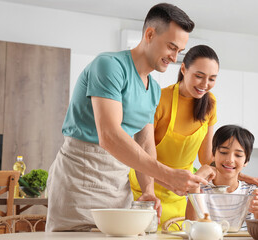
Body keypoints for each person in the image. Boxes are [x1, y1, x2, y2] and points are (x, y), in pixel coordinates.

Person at [46, 3, 208, 232]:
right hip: (80, 177)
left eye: (179, 51)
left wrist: (149, 190)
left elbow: (144, 143)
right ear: (150, 34)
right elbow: (109, 136)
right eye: (171, 47)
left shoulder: (152, 89)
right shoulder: (109, 66)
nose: (174, 58)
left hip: (117, 184)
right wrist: (168, 176)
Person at [129, 45, 258, 230]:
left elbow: (207, 159)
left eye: (212, 79)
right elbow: (146, 152)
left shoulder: (210, 103)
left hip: (184, 191)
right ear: (184, 69)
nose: (204, 84)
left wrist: (239, 175)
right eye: (199, 76)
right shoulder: (160, 99)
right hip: (149, 184)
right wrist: (148, 191)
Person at [186, 124, 258, 221]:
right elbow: (192, 227)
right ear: (213, 154)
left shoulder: (251, 191)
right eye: (223, 152)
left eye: (238, 155)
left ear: (246, 161)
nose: (230, 160)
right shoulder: (201, 189)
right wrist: (196, 184)